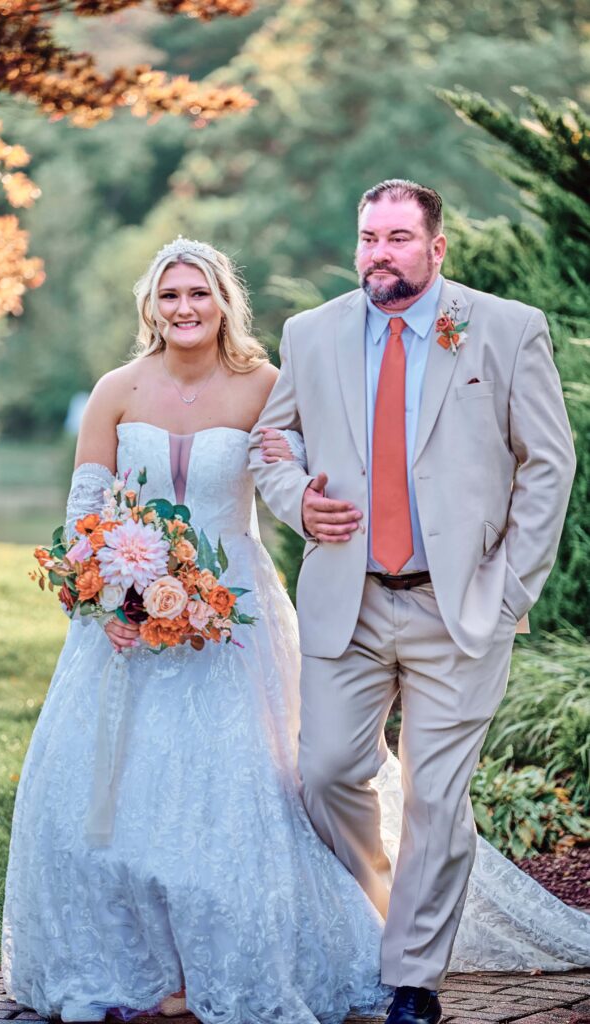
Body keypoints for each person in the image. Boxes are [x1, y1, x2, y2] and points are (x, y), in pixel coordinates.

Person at [2, 235, 590, 1024]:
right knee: (111, 805)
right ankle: (128, 965)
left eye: (199, 294)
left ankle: (287, 951)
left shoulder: (263, 385)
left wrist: (323, 505)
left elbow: (308, 472)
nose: (185, 308)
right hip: (124, 630)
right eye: (171, 295)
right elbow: (83, 514)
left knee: (244, 796)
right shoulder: (114, 390)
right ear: (151, 305)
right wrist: (105, 600)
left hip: (234, 616)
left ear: (223, 303)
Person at [249, 178, 579, 1024]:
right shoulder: (312, 332)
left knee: (435, 795)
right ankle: (390, 912)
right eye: (368, 237)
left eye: (398, 237)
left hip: (459, 607)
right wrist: (293, 500)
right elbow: (271, 439)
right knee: (324, 771)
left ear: (436, 248)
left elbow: (548, 463)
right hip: (346, 604)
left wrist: (509, 587)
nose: (378, 253)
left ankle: (410, 978)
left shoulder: (503, 328)